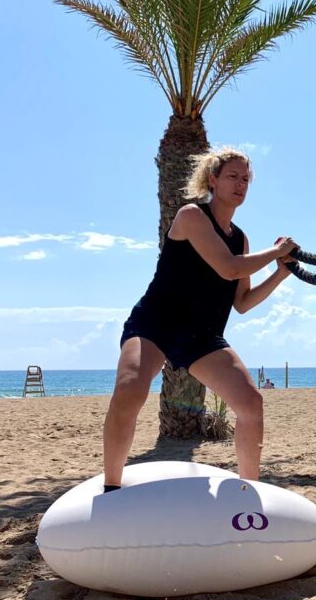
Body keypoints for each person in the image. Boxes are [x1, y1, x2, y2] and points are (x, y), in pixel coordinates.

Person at [102, 147, 297, 491]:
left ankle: (246, 492)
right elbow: (229, 267)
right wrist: (277, 252)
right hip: (156, 323)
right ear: (213, 179)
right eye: (233, 176)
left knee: (251, 403)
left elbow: (243, 302)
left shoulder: (240, 238)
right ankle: (111, 487)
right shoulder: (192, 216)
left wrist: (280, 273)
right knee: (130, 389)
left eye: (246, 179)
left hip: (201, 335)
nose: (241, 184)